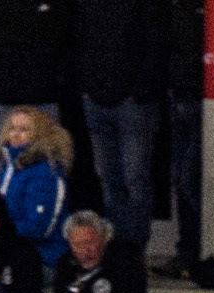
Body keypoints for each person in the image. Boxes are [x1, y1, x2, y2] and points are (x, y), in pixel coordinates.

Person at [79, 0, 166, 251]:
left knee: (135, 178)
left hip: (134, 103)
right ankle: (115, 248)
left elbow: (155, 42)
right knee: (108, 179)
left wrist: (139, 90)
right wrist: (86, 87)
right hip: (96, 99)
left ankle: (134, 250)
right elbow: (80, 41)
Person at [0, 0, 69, 175]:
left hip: (44, 95)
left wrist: (58, 75)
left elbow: (68, 37)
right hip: (5, 96)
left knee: (52, 159)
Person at [0, 106, 73, 274]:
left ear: (38, 135)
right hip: (12, 248)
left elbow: (38, 228)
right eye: (12, 128)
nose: (15, 134)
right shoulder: (8, 168)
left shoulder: (47, 172)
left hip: (43, 258)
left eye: (24, 130)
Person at [161, 0, 204, 277]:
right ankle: (187, 249)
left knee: (190, 178)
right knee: (180, 179)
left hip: (208, 101)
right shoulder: (174, 7)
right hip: (179, 97)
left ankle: (200, 247)